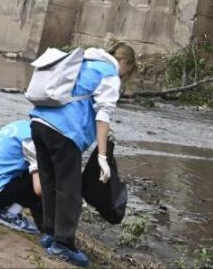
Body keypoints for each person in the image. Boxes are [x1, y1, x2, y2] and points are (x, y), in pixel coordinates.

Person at [29, 42, 137, 267]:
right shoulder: (109, 74)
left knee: (50, 183)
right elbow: (103, 115)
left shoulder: (84, 60)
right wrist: (102, 157)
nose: (124, 76)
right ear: (125, 62)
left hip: (39, 122)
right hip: (64, 131)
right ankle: (63, 244)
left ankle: (49, 233)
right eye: (127, 71)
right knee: (70, 190)